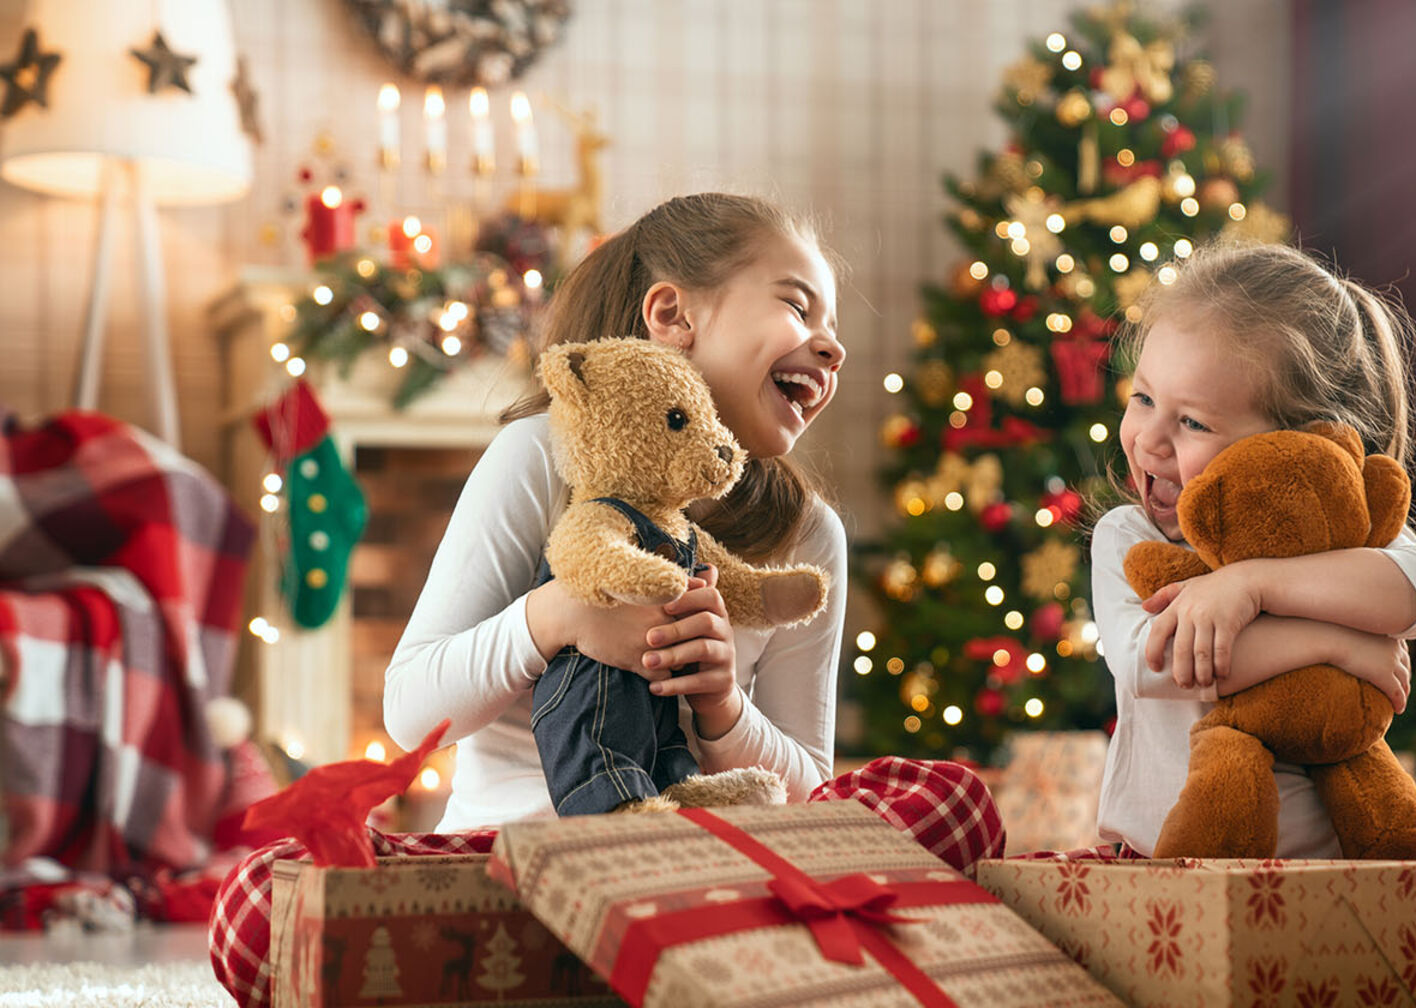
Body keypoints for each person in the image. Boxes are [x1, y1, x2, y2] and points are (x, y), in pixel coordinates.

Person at [209, 194, 1001, 1007]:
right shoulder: (536, 457)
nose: (830, 347)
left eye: (832, 330)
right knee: (263, 902)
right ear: (672, 313)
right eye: (798, 307)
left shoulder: (807, 537)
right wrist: (557, 619)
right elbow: (411, 709)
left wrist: (724, 710)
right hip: (511, 868)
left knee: (954, 803)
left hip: (703, 867)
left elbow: (811, 791)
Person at [1088, 240, 1416, 1008]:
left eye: (1193, 421)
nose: (1150, 438)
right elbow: (1150, 661)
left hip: (1342, 888)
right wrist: (1335, 640)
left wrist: (1251, 584)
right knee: (1038, 897)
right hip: (1169, 879)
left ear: (1299, 443)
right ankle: (1371, 979)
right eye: (1143, 399)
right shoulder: (1131, 539)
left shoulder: (1352, 534)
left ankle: (1354, 969)